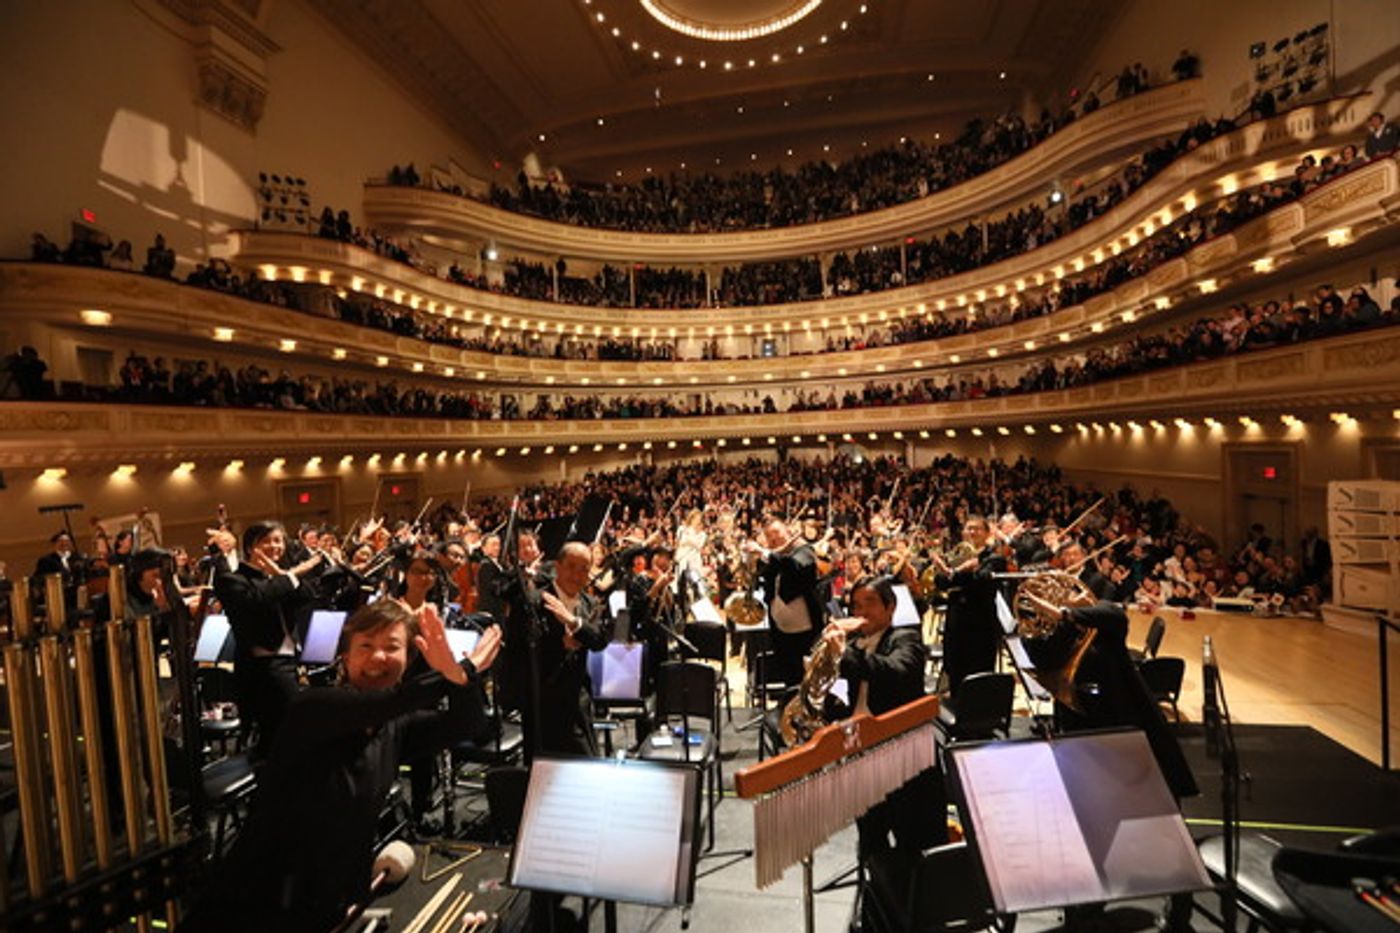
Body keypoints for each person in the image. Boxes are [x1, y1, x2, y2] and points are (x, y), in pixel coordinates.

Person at [182, 600, 501, 932]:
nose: (378, 657)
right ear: (345, 657)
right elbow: (390, 702)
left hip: (327, 905)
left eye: (392, 647)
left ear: (408, 660)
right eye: (366, 646)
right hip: (252, 906)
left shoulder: (396, 728)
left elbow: (467, 724)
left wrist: (463, 681)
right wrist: (457, 673)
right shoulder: (313, 709)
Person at [822, 576, 947, 926]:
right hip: (864, 753)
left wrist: (842, 653)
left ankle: (912, 914)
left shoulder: (905, 638)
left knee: (911, 843)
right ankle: (874, 909)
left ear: (891, 607)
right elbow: (844, 697)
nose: (861, 612)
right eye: (856, 605)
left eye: (869, 604)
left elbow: (896, 673)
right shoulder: (858, 642)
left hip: (906, 759)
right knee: (871, 838)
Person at [211, 521, 324, 757]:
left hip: (290, 662)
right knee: (283, 733)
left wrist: (283, 574)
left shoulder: (276, 577)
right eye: (267, 541)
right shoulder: (232, 580)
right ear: (252, 547)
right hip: (264, 668)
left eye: (278, 540)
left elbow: (310, 596)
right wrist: (291, 575)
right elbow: (258, 598)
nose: (275, 546)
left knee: (288, 734)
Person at [501, 540, 609, 756]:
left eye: (584, 569)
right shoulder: (533, 601)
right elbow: (516, 648)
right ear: (557, 566)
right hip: (541, 702)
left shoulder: (589, 603)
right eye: (571, 566)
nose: (577, 575)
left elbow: (599, 641)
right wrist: (558, 644)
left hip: (576, 699)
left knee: (584, 766)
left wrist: (572, 622)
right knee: (542, 772)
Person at [932, 516, 1007, 693]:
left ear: (988, 533)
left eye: (977, 529)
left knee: (979, 678)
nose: (972, 532)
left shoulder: (994, 558)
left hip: (980, 626)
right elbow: (941, 581)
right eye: (968, 528)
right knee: (955, 673)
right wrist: (955, 572)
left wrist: (954, 574)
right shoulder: (957, 554)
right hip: (956, 624)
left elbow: (981, 582)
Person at [750, 517, 824, 686]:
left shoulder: (804, 550)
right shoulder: (776, 556)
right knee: (788, 675)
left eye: (777, 533)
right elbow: (762, 573)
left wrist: (765, 552)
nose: (774, 539)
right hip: (780, 631)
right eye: (769, 537)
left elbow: (794, 566)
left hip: (805, 632)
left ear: (788, 531)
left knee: (804, 677)